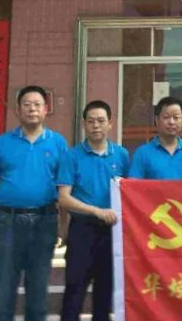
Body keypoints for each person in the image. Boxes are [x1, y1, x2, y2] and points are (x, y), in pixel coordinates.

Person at [0, 85, 67, 321]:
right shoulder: (2, 143)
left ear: (46, 109)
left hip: (45, 222)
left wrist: (63, 225)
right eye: (26, 105)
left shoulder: (58, 143)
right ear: (17, 110)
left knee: (38, 292)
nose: (32, 109)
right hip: (8, 222)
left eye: (37, 105)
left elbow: (64, 189)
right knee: (5, 290)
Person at [58, 99, 130, 321]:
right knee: (75, 289)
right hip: (82, 230)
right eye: (91, 121)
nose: (96, 125)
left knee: (105, 292)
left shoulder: (121, 155)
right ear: (84, 124)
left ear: (110, 123)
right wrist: (96, 211)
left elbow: (130, 192)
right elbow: (64, 198)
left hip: (112, 231)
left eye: (101, 121)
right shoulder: (72, 156)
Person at [129, 96, 182, 180]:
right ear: (157, 120)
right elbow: (133, 185)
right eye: (166, 117)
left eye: (176, 118)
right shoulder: (142, 153)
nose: (171, 122)